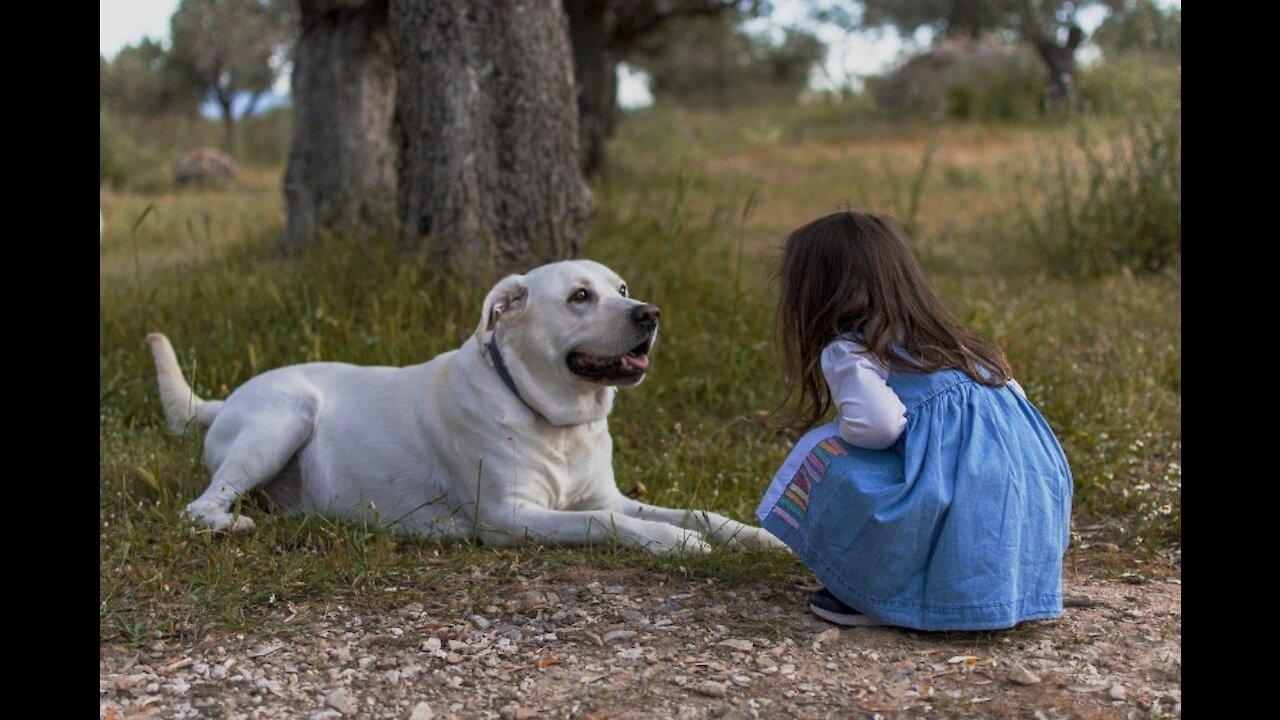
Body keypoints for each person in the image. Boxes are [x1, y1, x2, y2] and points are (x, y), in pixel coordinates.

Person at [756, 210, 1073, 631]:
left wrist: (843, 435)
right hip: (1030, 500)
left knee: (825, 454)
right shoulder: (957, 344)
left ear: (818, 293)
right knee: (953, 477)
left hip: (962, 502)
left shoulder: (851, 350)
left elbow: (879, 426)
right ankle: (996, 588)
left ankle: (876, 592)